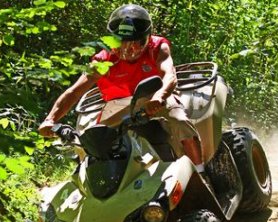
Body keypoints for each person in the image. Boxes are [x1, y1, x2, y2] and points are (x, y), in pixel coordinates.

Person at [38, 4, 206, 175]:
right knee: (92, 142)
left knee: (179, 120)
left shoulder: (158, 47)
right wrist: (50, 119)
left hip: (154, 96)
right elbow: (74, 92)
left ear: (147, 38)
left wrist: (159, 96)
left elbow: (169, 75)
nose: (128, 50)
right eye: (122, 43)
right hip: (119, 106)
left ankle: (200, 172)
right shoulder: (103, 61)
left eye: (136, 43)